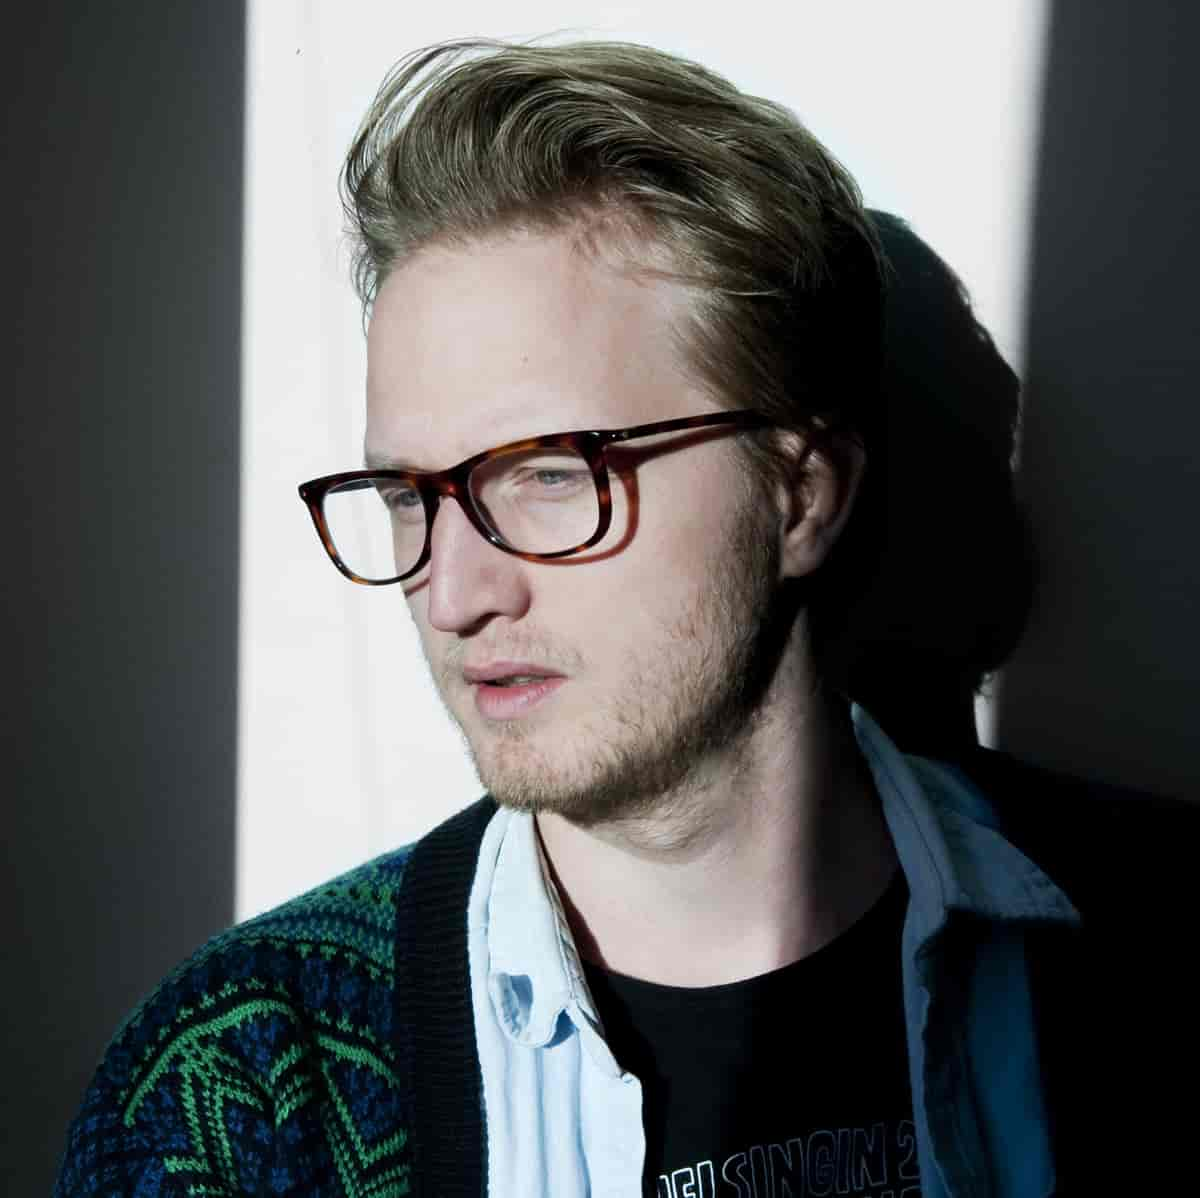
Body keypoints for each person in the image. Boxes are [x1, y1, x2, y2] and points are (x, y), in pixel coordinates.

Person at [56, 38, 1195, 1198]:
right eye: (409, 497)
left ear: (801, 494)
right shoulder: (240, 1093)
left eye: (551, 474)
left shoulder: (1157, 941)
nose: (454, 594)